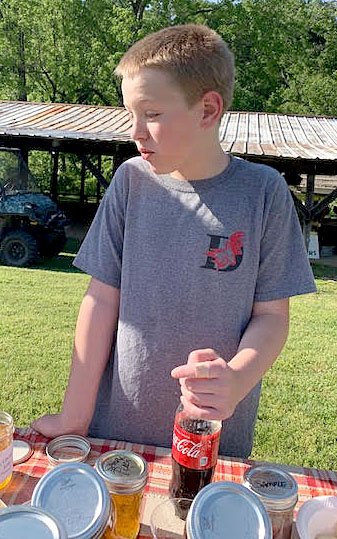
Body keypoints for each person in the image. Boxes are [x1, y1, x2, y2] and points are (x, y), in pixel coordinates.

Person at [32, 24, 316, 458]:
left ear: (207, 110)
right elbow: (101, 299)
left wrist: (238, 378)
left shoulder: (264, 192)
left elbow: (273, 317)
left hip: (211, 437)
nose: (135, 131)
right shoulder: (130, 182)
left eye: (152, 114)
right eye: (131, 114)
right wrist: (75, 414)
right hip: (115, 431)